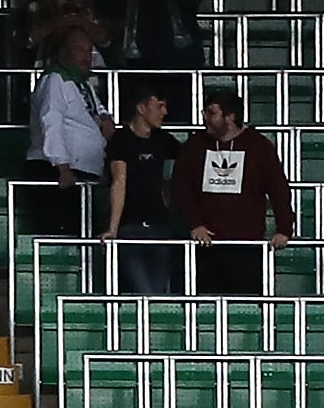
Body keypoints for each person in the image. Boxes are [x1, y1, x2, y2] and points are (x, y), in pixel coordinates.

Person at [171, 89, 294, 294]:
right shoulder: (195, 146)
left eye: (211, 113)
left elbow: (278, 189)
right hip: (206, 246)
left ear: (230, 117)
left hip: (247, 246)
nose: (205, 118)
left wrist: (284, 228)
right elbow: (180, 188)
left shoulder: (259, 146)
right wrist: (195, 224)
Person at [102, 81, 186, 295]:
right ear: (141, 108)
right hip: (131, 227)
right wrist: (113, 229)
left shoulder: (162, 139)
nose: (164, 112)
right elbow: (119, 181)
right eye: (159, 106)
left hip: (160, 226)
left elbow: (190, 158)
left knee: (158, 293)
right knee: (143, 292)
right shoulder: (121, 141)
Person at [26, 27, 113, 190]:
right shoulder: (55, 80)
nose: (86, 57)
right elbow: (51, 121)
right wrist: (62, 166)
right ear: (62, 52)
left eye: (89, 51)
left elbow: (96, 109)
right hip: (60, 172)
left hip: (83, 170)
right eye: (79, 50)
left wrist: (106, 118)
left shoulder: (82, 83)